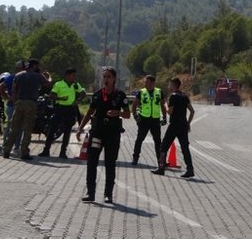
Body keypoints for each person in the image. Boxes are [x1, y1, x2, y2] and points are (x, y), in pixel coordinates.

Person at [75, 67, 130, 203]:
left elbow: (128, 114)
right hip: (97, 132)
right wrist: (80, 128)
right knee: (91, 162)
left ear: (114, 79)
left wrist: (118, 113)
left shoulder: (120, 95)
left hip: (112, 133)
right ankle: (90, 192)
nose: (106, 79)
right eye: (104, 76)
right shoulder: (97, 95)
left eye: (108, 77)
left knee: (110, 163)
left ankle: (108, 194)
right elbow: (89, 112)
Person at [2, 58, 52, 160]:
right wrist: (49, 76)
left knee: (14, 129)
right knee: (27, 129)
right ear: (34, 66)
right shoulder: (38, 76)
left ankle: (6, 150)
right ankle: (24, 152)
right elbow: (47, 83)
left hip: (19, 103)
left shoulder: (18, 75)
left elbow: (14, 90)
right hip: (31, 104)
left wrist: (15, 102)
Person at [151, 78, 195, 178]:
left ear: (174, 85)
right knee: (185, 148)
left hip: (174, 125)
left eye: (170, 84)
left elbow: (169, 112)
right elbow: (192, 111)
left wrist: (165, 105)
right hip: (183, 125)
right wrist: (188, 123)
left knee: (164, 146)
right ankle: (190, 169)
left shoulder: (173, 96)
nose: (169, 86)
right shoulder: (184, 96)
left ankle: (161, 168)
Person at [39, 68, 85, 159]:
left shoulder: (76, 85)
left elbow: (83, 93)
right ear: (67, 75)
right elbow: (52, 96)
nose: (74, 77)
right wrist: (60, 99)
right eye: (73, 75)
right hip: (60, 108)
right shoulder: (59, 84)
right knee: (52, 129)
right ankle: (46, 150)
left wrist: (78, 100)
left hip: (70, 109)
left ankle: (63, 152)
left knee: (67, 131)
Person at [131, 75, 167, 166]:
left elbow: (163, 105)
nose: (145, 84)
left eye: (147, 82)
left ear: (152, 83)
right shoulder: (141, 92)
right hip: (144, 119)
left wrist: (164, 117)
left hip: (155, 120)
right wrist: (135, 116)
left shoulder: (159, 92)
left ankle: (160, 161)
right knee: (139, 139)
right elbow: (134, 105)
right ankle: (135, 158)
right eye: (145, 82)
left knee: (158, 141)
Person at [0, 61, 25, 153]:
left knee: (18, 127)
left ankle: (16, 147)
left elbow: (1, 87)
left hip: (18, 105)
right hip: (13, 105)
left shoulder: (18, 77)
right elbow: (1, 87)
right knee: (12, 126)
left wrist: (7, 97)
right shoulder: (13, 77)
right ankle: (7, 146)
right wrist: (7, 97)